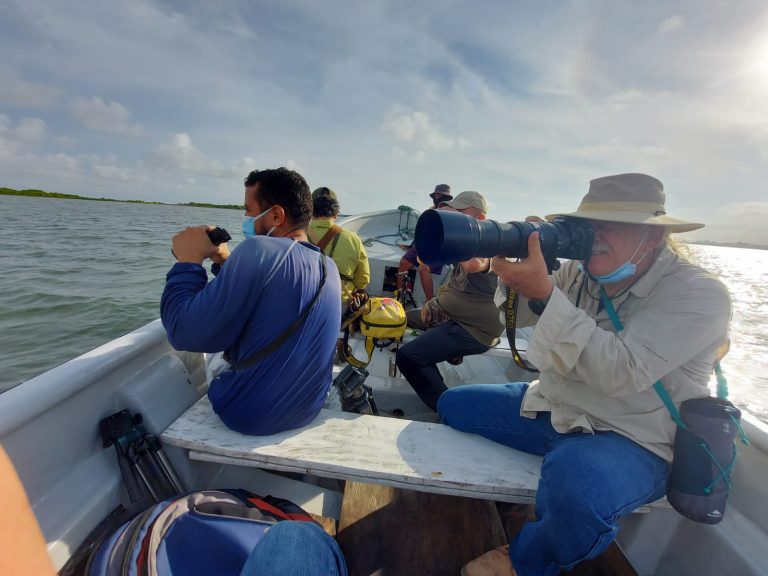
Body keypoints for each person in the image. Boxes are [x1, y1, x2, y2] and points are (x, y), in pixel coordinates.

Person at [438, 174, 732, 576]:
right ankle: (546, 485)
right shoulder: (582, 272)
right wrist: (507, 268)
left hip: (634, 433)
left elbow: (623, 371)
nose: (596, 236)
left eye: (612, 225)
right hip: (561, 406)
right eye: (591, 225)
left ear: (654, 236)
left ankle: (525, 561)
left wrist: (545, 293)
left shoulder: (698, 294)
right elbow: (522, 315)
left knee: (581, 490)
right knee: (454, 406)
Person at [161, 168, 342, 436]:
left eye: (249, 211)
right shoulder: (329, 266)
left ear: (276, 216)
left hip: (247, 414)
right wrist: (226, 262)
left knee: (215, 343)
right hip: (306, 408)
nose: (246, 219)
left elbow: (181, 332)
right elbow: (272, 295)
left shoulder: (256, 249)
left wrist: (188, 262)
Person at [396, 190, 504, 412]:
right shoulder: (466, 241)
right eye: (455, 213)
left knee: (409, 357)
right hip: (448, 314)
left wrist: (460, 231)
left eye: (461, 213)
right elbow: (424, 260)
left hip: (472, 329)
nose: (456, 218)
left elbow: (475, 265)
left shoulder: (489, 242)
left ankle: (448, 408)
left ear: (480, 218)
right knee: (399, 318)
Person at [308, 187, 370, 307]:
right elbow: (363, 279)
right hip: (339, 305)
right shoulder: (354, 240)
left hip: (304, 305)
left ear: (310, 210)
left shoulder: (297, 235)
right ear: (336, 214)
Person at [397, 183, 453, 302]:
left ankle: (429, 301)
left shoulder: (452, 211)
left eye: (440, 195)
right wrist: (411, 246)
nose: (437, 197)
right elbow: (421, 230)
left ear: (447, 198)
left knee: (423, 268)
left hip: (439, 248)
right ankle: (400, 295)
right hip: (423, 244)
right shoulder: (431, 210)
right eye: (436, 195)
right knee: (403, 263)